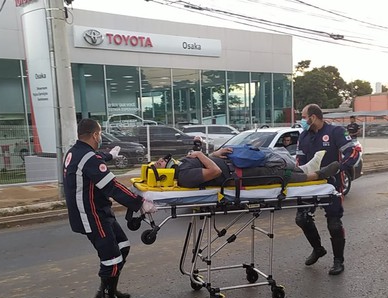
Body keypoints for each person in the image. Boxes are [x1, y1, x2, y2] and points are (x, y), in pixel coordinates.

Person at [63, 118, 144, 298]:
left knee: (123, 247)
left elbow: (94, 158)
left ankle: (107, 288)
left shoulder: (76, 151)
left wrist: (109, 156)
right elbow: (112, 186)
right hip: (91, 214)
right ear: (95, 135)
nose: (100, 136)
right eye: (99, 133)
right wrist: (140, 203)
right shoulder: (88, 158)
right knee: (111, 258)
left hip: (99, 210)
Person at [295, 104, 361, 275]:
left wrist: (339, 167)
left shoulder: (335, 132)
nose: (302, 120)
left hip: (331, 184)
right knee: (302, 218)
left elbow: (353, 152)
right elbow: (299, 161)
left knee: (334, 223)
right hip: (309, 185)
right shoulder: (303, 136)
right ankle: (317, 249)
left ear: (313, 117)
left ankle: (338, 260)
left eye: (303, 116)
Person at [153, 146, 339, 188]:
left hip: (237, 164)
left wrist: (214, 155)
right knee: (280, 173)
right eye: (157, 163)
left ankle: (306, 168)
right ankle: (317, 174)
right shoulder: (184, 176)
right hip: (241, 174)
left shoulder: (183, 164)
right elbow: (214, 172)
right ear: (162, 172)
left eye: (159, 160)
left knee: (272, 156)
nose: (160, 160)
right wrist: (201, 155)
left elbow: (211, 164)